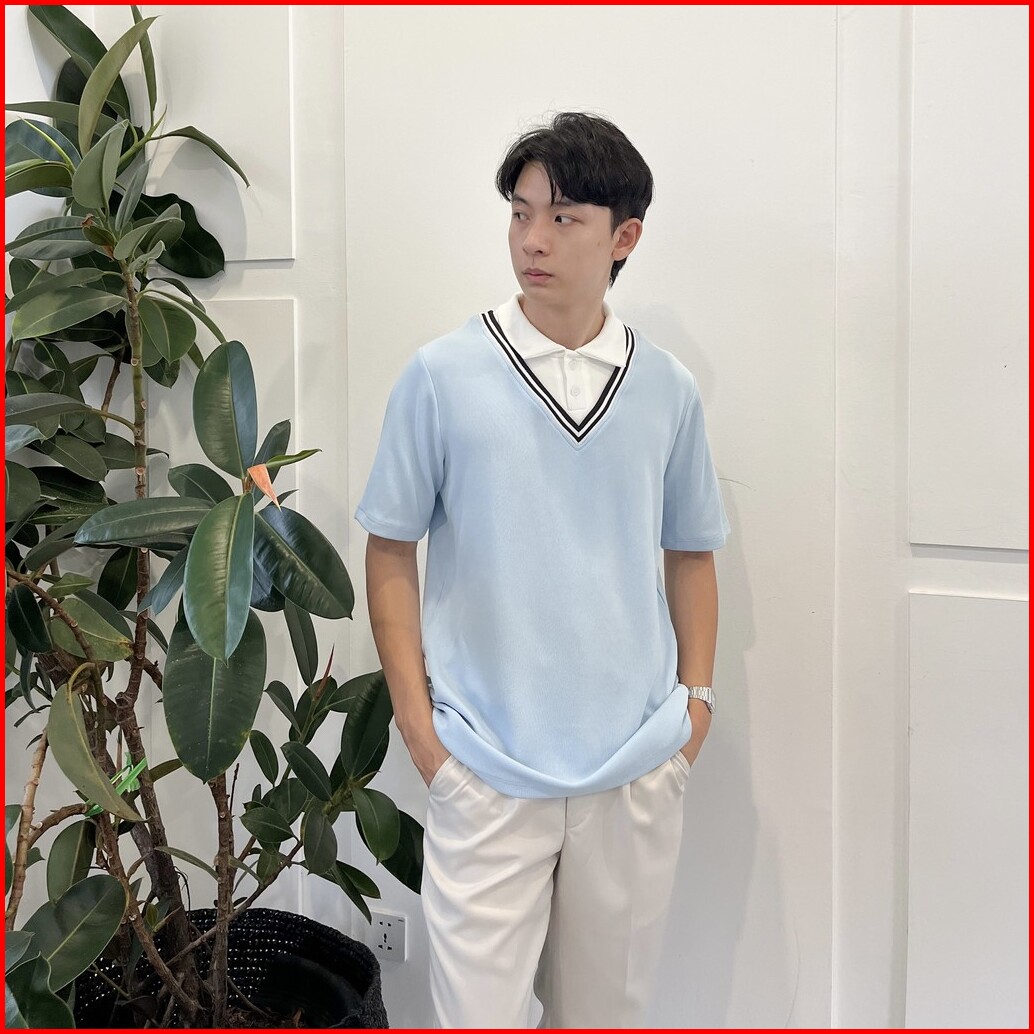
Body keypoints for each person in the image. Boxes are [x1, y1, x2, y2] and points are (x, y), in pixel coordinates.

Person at [355, 111, 730, 1028]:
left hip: (635, 766)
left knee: (606, 1017)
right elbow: (391, 548)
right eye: (521, 213)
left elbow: (691, 552)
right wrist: (422, 733)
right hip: (485, 767)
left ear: (623, 237)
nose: (533, 239)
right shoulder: (441, 375)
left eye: (563, 218)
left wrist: (695, 709)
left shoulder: (667, 389)